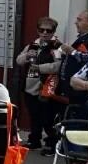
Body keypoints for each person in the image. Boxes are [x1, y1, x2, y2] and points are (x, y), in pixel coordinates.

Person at [15, 17, 66, 151]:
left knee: (47, 117)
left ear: (53, 31)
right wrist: (26, 56)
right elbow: (18, 61)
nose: (44, 33)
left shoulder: (57, 47)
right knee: (34, 114)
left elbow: (59, 66)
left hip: (48, 86)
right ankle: (34, 139)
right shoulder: (33, 45)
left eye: (48, 30)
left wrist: (41, 68)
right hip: (30, 85)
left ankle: (51, 142)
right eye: (41, 30)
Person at [59, 9, 88, 105]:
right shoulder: (82, 38)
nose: (75, 23)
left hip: (83, 91)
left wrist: (72, 51)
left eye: (79, 20)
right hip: (73, 90)